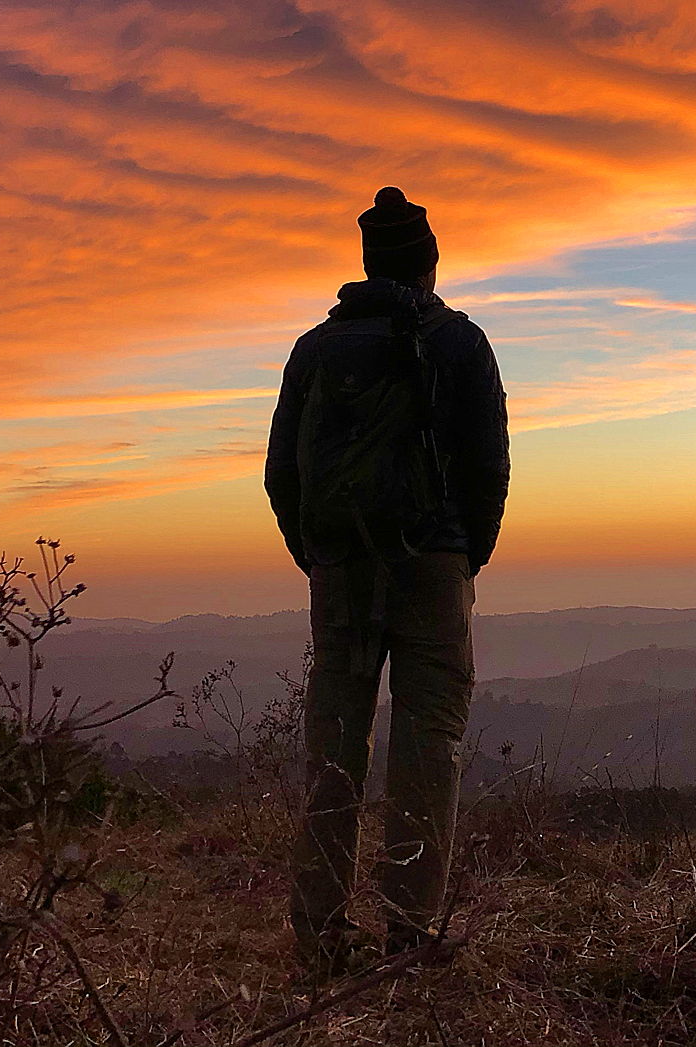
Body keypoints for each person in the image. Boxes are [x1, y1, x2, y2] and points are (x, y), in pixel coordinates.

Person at [264, 187, 509, 979]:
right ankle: (408, 932)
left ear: (367, 263)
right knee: (427, 742)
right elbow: (487, 468)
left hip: (340, 569)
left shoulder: (313, 350)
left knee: (333, 744)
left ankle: (320, 936)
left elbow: (280, 472)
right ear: (430, 262)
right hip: (433, 565)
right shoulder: (461, 343)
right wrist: (464, 554)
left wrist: (320, 553)